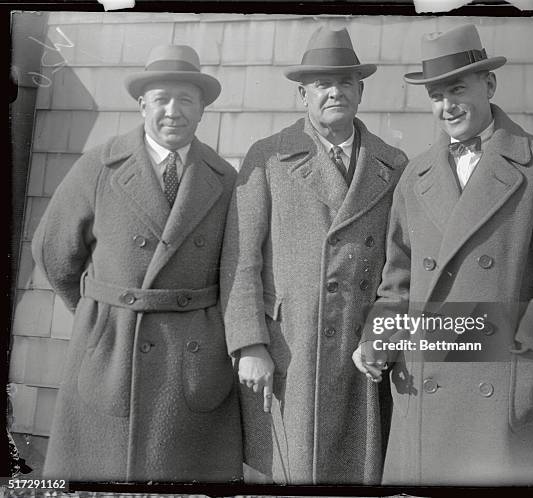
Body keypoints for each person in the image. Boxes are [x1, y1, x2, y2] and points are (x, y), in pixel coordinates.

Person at [353, 24, 533, 485]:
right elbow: (398, 276)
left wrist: (530, 358)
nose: (447, 106)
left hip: (500, 382)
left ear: (489, 84)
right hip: (424, 383)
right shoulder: (416, 175)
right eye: (436, 95)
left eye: (458, 89)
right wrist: (377, 336)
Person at [32, 44, 242, 482]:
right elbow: (54, 250)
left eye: (186, 100)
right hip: (112, 345)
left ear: (202, 109)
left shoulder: (225, 180)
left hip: (193, 354)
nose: (173, 111)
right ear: (142, 103)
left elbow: (236, 272)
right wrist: (101, 312)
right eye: (161, 98)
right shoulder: (101, 165)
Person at [220, 26, 408, 484]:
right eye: (323, 84)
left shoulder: (393, 164)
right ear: (302, 94)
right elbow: (240, 259)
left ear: (360, 92)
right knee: (293, 474)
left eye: (345, 82)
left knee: (353, 476)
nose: (335, 92)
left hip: (360, 349)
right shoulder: (268, 157)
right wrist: (250, 344)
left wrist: (382, 334)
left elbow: (401, 267)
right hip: (290, 351)